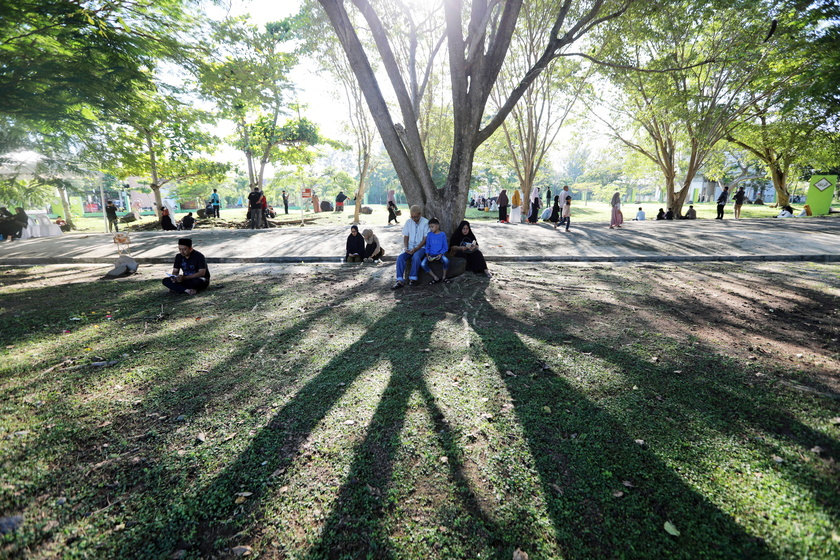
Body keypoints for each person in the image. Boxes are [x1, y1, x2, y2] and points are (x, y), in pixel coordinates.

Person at [392, 205, 429, 289]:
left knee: (416, 257)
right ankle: (400, 280)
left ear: (420, 214)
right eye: (412, 217)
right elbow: (406, 236)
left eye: (416, 217)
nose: (414, 219)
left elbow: (425, 239)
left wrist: (416, 249)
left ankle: (413, 279)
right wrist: (406, 247)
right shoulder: (408, 222)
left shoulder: (426, 222)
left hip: (421, 247)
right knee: (400, 257)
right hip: (410, 246)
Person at [421, 218, 450, 284]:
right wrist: (427, 255)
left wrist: (440, 254)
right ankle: (435, 277)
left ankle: (444, 277)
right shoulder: (429, 235)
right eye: (430, 227)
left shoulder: (442, 234)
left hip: (439, 254)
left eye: (432, 226)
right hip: (431, 254)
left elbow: (445, 247)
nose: (431, 228)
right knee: (423, 264)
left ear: (437, 226)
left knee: (446, 261)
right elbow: (427, 246)